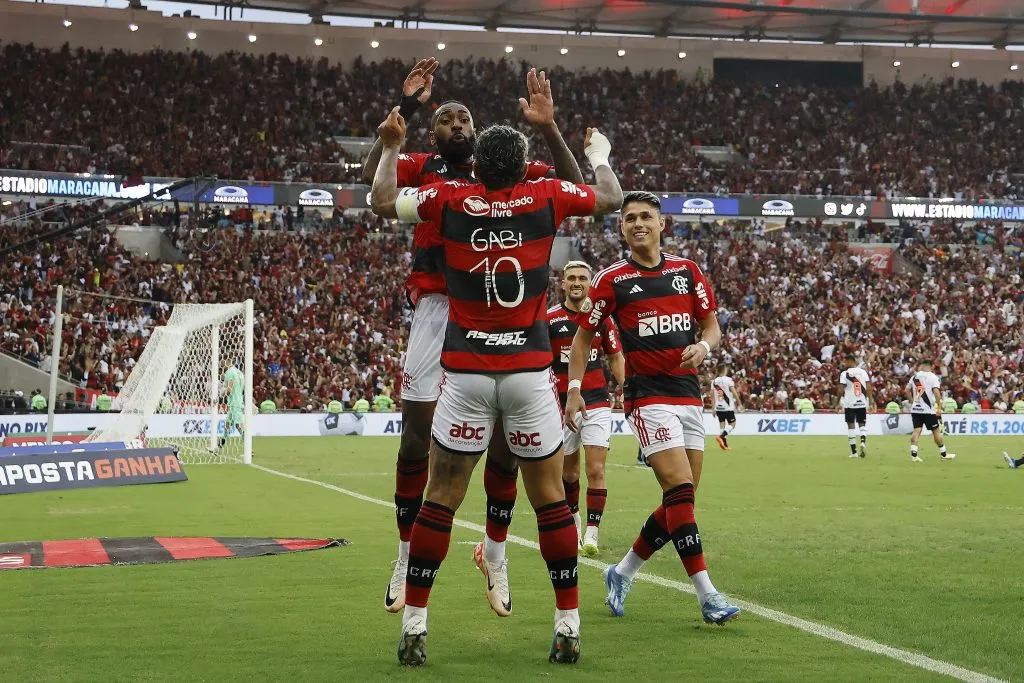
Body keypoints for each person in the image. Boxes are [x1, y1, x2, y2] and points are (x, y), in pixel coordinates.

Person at [372, 101, 621, 665]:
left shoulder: (450, 198)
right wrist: (598, 153)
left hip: (465, 370)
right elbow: (605, 197)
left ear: (478, 166)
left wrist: (391, 145)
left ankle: (414, 625)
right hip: (530, 373)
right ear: (523, 165)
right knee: (552, 500)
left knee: (442, 494)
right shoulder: (545, 196)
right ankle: (568, 626)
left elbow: (383, 201)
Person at [565, 191, 740, 626]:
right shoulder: (612, 280)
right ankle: (708, 595)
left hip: (688, 395)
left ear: (663, 225)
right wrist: (572, 388)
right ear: (621, 229)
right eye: (629, 219)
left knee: (681, 501)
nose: (638, 223)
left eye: (646, 216)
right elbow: (584, 339)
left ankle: (621, 571)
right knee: (680, 492)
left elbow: (712, 325)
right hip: (647, 397)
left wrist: (703, 345)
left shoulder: (687, 271)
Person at [547, 260, 624, 556]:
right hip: (562, 405)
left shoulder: (602, 320)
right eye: (572, 278)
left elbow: (616, 357)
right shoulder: (549, 319)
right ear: (563, 284)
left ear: (590, 284)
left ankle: (591, 534)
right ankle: (575, 525)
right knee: (568, 475)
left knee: (595, 468)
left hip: (597, 402)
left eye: (582, 278)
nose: (577, 282)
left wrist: (625, 386)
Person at [907, 360, 954, 462]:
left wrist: (913, 402)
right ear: (930, 366)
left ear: (922, 366)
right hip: (928, 410)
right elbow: (937, 393)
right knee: (936, 431)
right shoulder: (933, 377)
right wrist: (939, 407)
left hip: (916, 409)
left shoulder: (915, 377)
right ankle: (944, 454)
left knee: (916, 430)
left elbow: (906, 390)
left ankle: (914, 456)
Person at [838, 354, 872, 458]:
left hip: (850, 403)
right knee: (862, 424)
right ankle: (862, 441)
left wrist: (837, 402)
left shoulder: (845, 373)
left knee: (851, 426)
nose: (844, 363)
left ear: (850, 361)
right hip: (861, 402)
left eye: (845, 361)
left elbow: (840, 389)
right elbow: (869, 387)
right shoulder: (863, 372)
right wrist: (870, 400)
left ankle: (854, 452)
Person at [217, 362, 245, 450]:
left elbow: (229, 388)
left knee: (238, 425)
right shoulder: (239, 372)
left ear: (227, 363)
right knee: (227, 424)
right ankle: (220, 445)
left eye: (222, 364)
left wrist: (220, 396)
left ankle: (249, 448)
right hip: (238, 400)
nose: (221, 366)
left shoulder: (229, 372)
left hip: (234, 402)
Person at [711, 370, 739, 451]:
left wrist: (713, 409)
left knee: (722, 426)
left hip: (718, 407)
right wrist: (739, 402)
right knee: (732, 425)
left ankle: (725, 445)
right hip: (728, 407)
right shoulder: (728, 380)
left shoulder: (714, 381)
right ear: (725, 369)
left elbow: (712, 395)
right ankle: (721, 437)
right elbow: (734, 392)